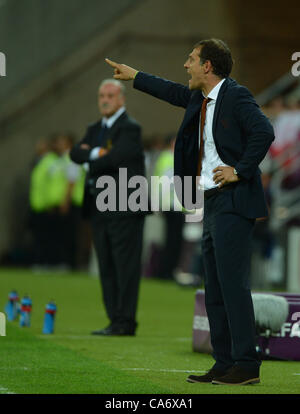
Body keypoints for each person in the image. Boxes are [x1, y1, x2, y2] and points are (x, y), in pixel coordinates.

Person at [105, 38, 275, 384]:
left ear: (208, 66)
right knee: (213, 287)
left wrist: (239, 169)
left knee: (232, 285)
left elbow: (264, 131)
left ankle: (246, 363)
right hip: (212, 201)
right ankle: (224, 362)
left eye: (191, 59)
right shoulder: (199, 98)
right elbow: (169, 91)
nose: (186, 65)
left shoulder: (236, 96)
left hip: (234, 198)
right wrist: (135, 76)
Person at [70, 79, 146, 336]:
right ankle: (114, 319)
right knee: (106, 264)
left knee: (124, 265)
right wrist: (97, 154)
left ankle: (125, 321)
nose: (105, 99)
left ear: (121, 99)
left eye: (111, 95)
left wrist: (90, 155)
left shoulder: (130, 128)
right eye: (101, 95)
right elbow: (74, 154)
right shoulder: (95, 128)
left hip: (124, 203)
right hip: (98, 205)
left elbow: (116, 158)